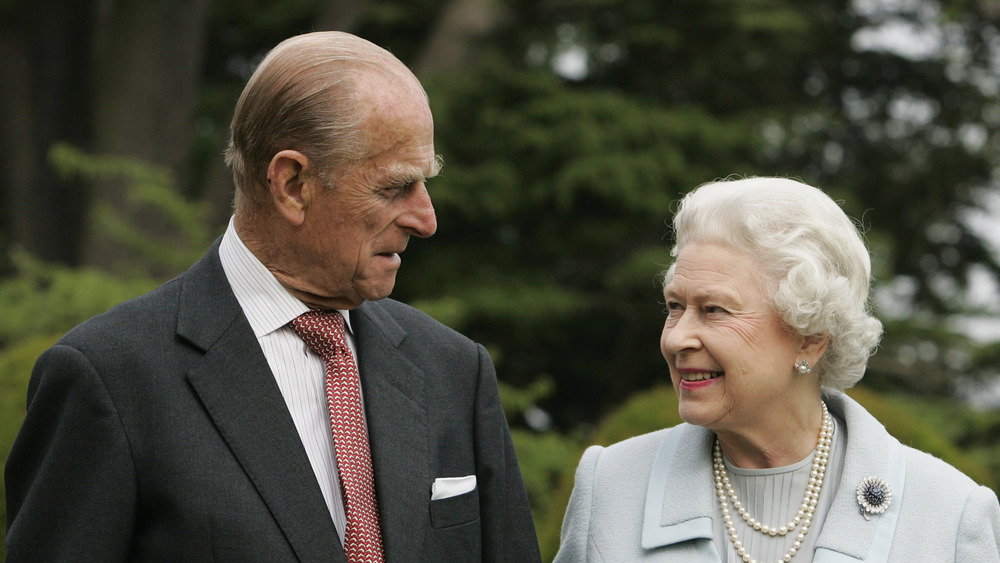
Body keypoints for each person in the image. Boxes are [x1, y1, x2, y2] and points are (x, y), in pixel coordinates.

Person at [5, 31, 540, 562]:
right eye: (395, 187)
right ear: (291, 184)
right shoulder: (109, 379)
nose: (426, 220)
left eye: (425, 184)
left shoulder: (455, 370)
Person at [554, 177, 1000, 562]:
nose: (675, 339)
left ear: (810, 336)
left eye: (714, 310)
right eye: (675, 306)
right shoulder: (611, 485)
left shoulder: (948, 513)